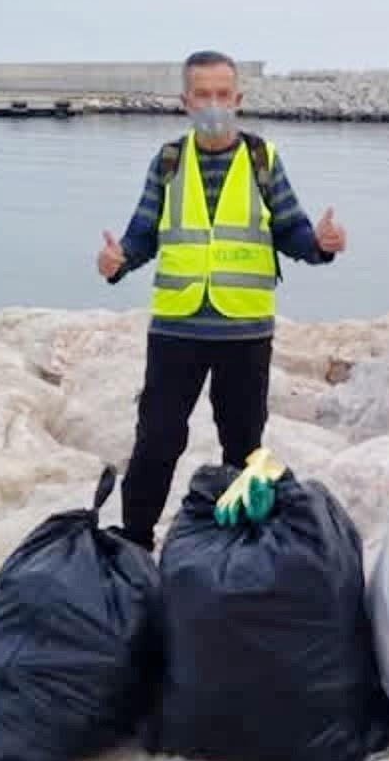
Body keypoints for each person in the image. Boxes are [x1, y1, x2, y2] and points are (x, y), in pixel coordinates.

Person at [97, 50, 347, 552]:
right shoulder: (168, 161)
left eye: (223, 95)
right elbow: (143, 234)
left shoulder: (262, 160)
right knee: (157, 442)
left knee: (244, 445)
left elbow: (291, 231)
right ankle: (135, 542)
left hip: (245, 331)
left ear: (239, 99)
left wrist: (321, 245)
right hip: (176, 328)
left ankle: (240, 548)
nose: (214, 104)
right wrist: (118, 260)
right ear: (186, 101)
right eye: (203, 95)